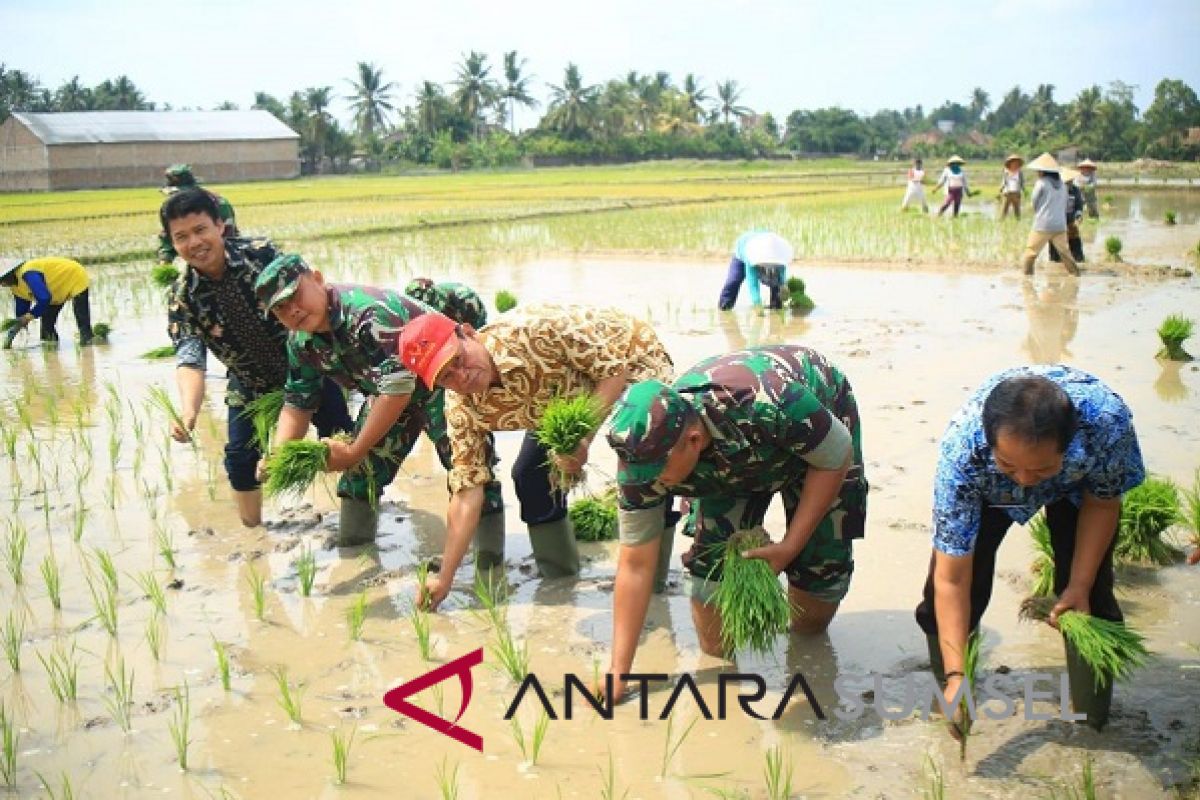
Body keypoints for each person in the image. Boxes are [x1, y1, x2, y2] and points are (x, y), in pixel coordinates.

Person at [603, 345, 868, 702]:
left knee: (821, 567)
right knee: (710, 567)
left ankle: (805, 654)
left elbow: (836, 456)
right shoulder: (643, 459)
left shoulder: (770, 401)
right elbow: (635, 564)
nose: (650, 481)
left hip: (814, 438)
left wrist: (790, 547)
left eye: (658, 472)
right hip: (727, 460)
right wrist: (619, 670)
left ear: (693, 442)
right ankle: (721, 680)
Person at [914, 365, 1146, 731]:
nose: (1024, 480)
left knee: (1093, 600)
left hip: (1075, 486)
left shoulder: (1104, 424)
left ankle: (1090, 719)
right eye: (1010, 464)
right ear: (989, 442)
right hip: (989, 489)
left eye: (1038, 470)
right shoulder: (964, 453)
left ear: (1068, 446)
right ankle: (953, 692)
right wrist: (958, 673)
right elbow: (952, 578)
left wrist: (1079, 585)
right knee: (948, 594)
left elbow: (1102, 504)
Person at [397, 304, 674, 609]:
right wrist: (445, 578)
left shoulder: (534, 331)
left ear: (468, 333)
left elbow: (613, 371)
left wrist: (582, 441)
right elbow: (467, 491)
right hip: (557, 398)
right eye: (446, 377)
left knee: (642, 459)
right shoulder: (462, 406)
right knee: (530, 474)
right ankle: (562, 578)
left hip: (630, 357)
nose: (461, 377)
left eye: (459, 361)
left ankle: (652, 585)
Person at [256, 256, 504, 546]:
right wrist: (279, 453)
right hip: (389, 395)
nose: (293, 311)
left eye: (295, 296)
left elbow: (397, 390)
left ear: (318, 278)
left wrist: (353, 450)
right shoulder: (301, 343)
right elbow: (298, 399)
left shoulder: (367, 315)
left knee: (470, 474)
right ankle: (354, 554)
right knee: (359, 478)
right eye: (281, 309)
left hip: (442, 386)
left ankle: (491, 570)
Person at [162, 188, 352, 527]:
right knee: (239, 457)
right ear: (172, 243)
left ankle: (360, 516)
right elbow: (190, 358)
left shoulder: (261, 255)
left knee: (340, 437)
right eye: (182, 237)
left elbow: (310, 299)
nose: (194, 242)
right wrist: (189, 412)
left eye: (200, 230)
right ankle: (253, 535)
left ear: (220, 225)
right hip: (249, 380)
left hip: (307, 365)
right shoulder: (182, 297)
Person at [1, 257, 94, 347]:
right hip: (53, 289)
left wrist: (28, 317)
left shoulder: (28, 273)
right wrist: (16, 328)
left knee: (82, 320)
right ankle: (52, 351)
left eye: (2, 280)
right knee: (46, 332)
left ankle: (88, 343)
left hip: (74, 276)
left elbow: (44, 299)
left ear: (9, 274)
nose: (2, 284)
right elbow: (21, 311)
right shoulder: (14, 286)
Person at [158, 164, 238, 265]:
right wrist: (165, 263)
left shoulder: (219, 203)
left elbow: (230, 237)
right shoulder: (169, 210)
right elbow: (168, 241)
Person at [1020, 153, 1080, 277]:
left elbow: (1034, 202)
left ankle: (1027, 277)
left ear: (1043, 171)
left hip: (1043, 224)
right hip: (1060, 225)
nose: (1037, 173)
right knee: (1065, 253)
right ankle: (1075, 274)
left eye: (1039, 171)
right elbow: (1064, 204)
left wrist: (1040, 213)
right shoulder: (1063, 185)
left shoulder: (1041, 183)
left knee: (1031, 252)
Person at [717, 231, 793, 311]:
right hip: (741, 255)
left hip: (764, 245)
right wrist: (757, 304)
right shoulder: (750, 254)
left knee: (776, 281)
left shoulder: (779, 255)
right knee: (734, 280)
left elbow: (781, 275)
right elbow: (753, 284)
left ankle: (776, 307)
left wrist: (784, 286)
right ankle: (724, 306)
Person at [1049, 169, 1086, 264]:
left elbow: (1079, 206)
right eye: (1066, 181)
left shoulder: (1075, 191)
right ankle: (1055, 265)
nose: (1068, 183)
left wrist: (1078, 217)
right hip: (1056, 224)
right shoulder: (1054, 190)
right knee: (1055, 250)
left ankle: (1079, 263)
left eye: (1070, 181)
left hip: (1071, 223)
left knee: (1076, 246)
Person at [998, 154, 1026, 219]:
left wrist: (1024, 191)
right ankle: (1001, 223)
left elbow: (1022, 183)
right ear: (1010, 163)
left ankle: (1018, 224)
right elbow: (1003, 182)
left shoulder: (1020, 172)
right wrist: (1000, 190)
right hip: (1007, 193)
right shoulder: (1006, 172)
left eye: (1017, 163)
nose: (1015, 164)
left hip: (1016, 193)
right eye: (1013, 163)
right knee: (1004, 210)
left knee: (1017, 211)